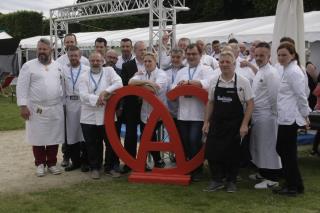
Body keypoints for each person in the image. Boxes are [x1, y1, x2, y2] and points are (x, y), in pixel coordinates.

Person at [203, 50, 254, 193]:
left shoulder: (242, 81)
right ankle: (216, 180)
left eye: (228, 62)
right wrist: (206, 122)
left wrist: (244, 124)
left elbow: (250, 103)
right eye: (222, 62)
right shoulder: (214, 81)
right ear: (218, 64)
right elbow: (211, 102)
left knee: (233, 154)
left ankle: (231, 181)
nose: (224, 65)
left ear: (234, 64)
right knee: (212, 152)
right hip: (217, 123)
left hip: (235, 124)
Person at [16, 38, 64, 177]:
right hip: (36, 108)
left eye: (44, 49)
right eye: (39, 49)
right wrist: (23, 106)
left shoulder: (58, 66)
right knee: (37, 137)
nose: (41, 52)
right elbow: (22, 86)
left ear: (51, 50)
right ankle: (40, 163)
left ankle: (52, 163)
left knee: (54, 137)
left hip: (55, 107)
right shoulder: (28, 66)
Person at [172, 43, 214, 182]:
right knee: (184, 141)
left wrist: (190, 83)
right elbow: (173, 87)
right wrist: (179, 86)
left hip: (199, 113)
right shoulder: (181, 71)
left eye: (194, 54)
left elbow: (209, 83)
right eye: (188, 54)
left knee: (194, 140)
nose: (191, 57)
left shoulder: (206, 69)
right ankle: (187, 166)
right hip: (183, 113)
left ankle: (197, 169)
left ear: (200, 55)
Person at [273, 42, 309, 196]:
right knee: (284, 150)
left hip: (291, 118)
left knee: (285, 151)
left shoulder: (293, 71)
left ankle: (292, 185)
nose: (281, 58)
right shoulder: (286, 70)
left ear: (292, 55)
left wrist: (305, 114)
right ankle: (295, 184)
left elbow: (301, 95)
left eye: (284, 55)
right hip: (285, 117)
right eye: (279, 55)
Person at [79, 52, 123, 179]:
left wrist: (106, 91)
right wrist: (98, 99)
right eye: (92, 60)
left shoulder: (109, 71)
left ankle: (111, 167)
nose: (95, 63)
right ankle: (95, 167)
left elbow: (119, 83)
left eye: (98, 60)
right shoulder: (84, 76)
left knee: (111, 143)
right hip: (89, 115)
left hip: (107, 114)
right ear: (89, 62)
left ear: (103, 61)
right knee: (92, 143)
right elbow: (83, 95)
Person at [249, 42, 282, 189]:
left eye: (262, 55)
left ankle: (272, 178)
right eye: (256, 55)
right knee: (259, 145)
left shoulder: (271, 73)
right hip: (257, 114)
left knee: (268, 147)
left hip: (268, 115)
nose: (258, 58)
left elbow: (275, 96)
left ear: (269, 56)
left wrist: (273, 115)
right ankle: (263, 172)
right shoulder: (260, 71)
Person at [128, 52, 168, 169]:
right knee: (149, 137)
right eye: (145, 61)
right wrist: (147, 82)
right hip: (144, 113)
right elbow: (130, 83)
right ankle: (155, 161)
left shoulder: (162, 74)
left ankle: (147, 161)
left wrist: (140, 85)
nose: (147, 63)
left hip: (158, 112)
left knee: (147, 136)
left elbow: (153, 89)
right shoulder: (142, 72)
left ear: (155, 61)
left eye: (149, 61)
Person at [56, 33, 89, 168]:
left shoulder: (87, 67)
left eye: (76, 56)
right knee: (71, 133)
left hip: (83, 103)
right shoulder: (62, 68)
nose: (73, 58)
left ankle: (85, 161)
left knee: (85, 132)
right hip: (69, 103)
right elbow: (60, 87)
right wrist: (62, 104)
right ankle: (74, 161)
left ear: (79, 56)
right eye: (71, 56)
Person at [120, 41, 146, 174]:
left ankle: (143, 161)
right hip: (131, 104)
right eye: (141, 50)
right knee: (130, 135)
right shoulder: (127, 65)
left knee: (146, 134)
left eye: (145, 49)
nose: (143, 52)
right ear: (135, 51)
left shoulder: (151, 64)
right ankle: (129, 162)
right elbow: (125, 84)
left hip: (147, 105)